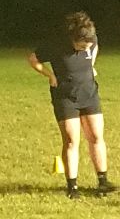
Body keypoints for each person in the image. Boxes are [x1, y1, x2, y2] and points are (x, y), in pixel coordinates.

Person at [27, 12, 115, 198]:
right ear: (73, 39)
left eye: (87, 47)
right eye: (82, 46)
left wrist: (90, 66)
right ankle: (72, 187)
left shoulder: (91, 39)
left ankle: (103, 181)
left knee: (96, 136)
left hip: (89, 93)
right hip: (65, 97)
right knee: (71, 140)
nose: (85, 49)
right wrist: (50, 75)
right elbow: (33, 59)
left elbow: (94, 48)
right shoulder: (55, 45)